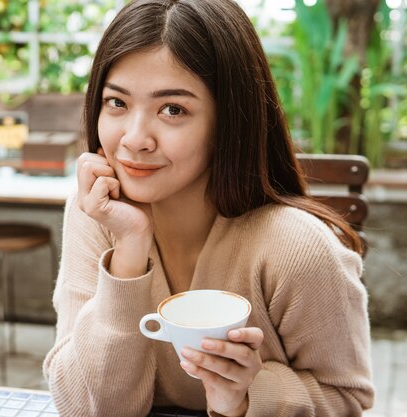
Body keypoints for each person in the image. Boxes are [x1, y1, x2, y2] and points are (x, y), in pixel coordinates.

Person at [42, 0, 375, 415]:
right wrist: (128, 252)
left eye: (173, 109)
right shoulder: (97, 213)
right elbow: (87, 407)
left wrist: (250, 396)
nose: (134, 138)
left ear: (229, 120)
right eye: (117, 103)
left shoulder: (297, 247)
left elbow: (347, 399)